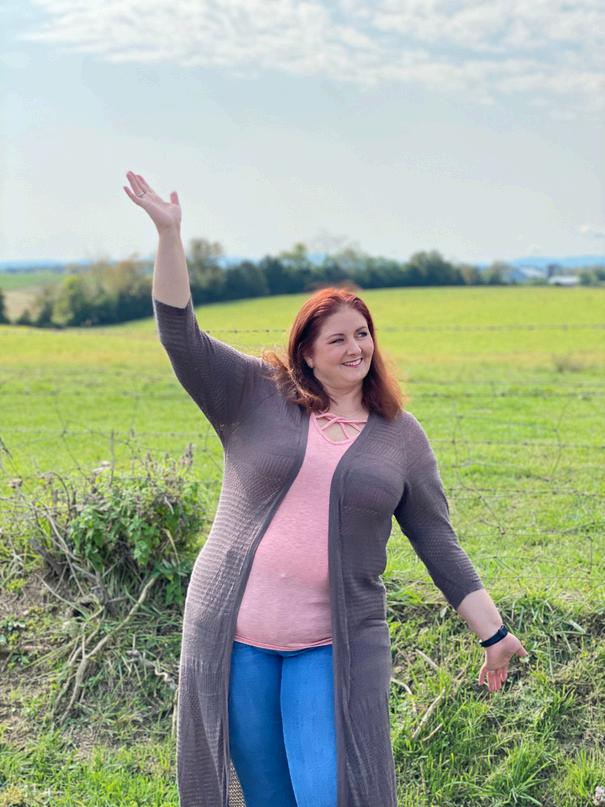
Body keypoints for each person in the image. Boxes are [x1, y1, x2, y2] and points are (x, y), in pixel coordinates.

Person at [123, 171, 529, 807]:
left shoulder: (400, 437)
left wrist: (493, 632)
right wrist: (169, 235)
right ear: (307, 353)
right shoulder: (254, 395)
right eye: (337, 338)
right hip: (236, 637)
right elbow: (181, 335)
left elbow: (437, 540)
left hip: (331, 646)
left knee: (328, 791)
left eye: (363, 334)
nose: (355, 347)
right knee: (266, 795)